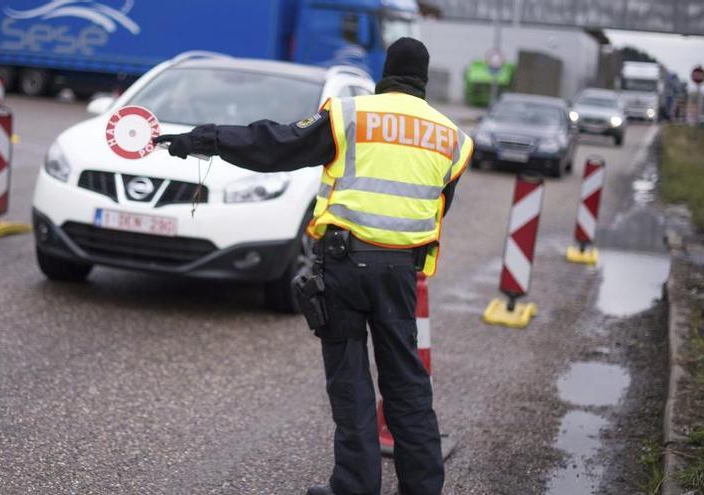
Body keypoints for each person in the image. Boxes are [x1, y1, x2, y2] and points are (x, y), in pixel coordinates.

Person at [155, 38, 473, 495]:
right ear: (423, 79)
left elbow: (276, 145)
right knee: (407, 388)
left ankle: (355, 487)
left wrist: (204, 139)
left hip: (343, 266)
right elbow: (435, 208)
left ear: (387, 72)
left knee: (350, 384)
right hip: (401, 274)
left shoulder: (351, 114)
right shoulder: (453, 139)